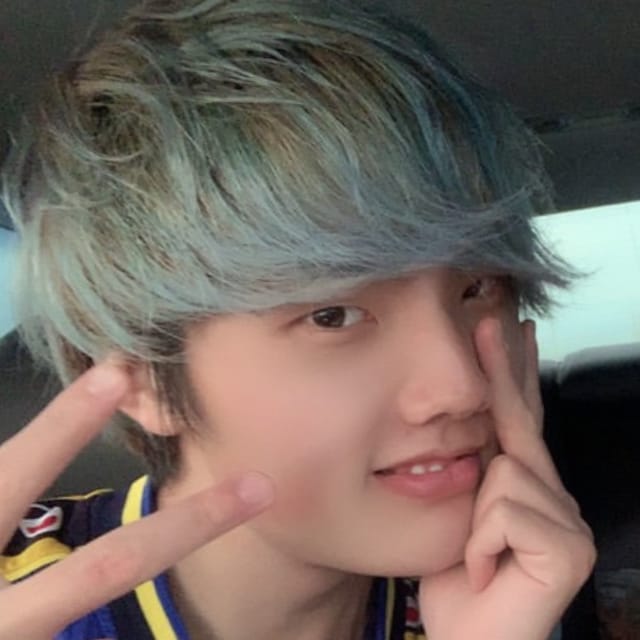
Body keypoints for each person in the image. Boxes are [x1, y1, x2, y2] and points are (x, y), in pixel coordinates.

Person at [0, 0, 595, 638]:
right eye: (333, 315)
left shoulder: (513, 594)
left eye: (479, 287)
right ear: (141, 378)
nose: (462, 388)